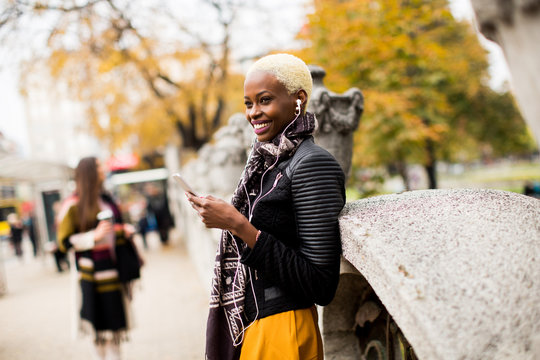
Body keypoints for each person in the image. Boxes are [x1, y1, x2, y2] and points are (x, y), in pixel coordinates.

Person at [187, 53, 346, 360]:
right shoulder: (266, 162)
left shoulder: (312, 164)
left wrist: (238, 225)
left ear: (298, 100)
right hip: (254, 324)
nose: (254, 113)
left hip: (285, 328)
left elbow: (321, 284)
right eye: (248, 103)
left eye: (264, 100)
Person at [56, 157, 141, 360]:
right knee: (98, 333)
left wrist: (122, 230)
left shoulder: (107, 199)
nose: (103, 169)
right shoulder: (73, 205)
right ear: (89, 173)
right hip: (90, 277)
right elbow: (64, 242)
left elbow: (112, 230)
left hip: (114, 271)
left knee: (115, 332)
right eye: (98, 167)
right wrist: (92, 237)